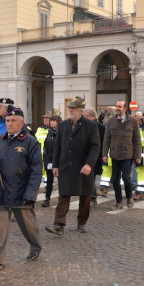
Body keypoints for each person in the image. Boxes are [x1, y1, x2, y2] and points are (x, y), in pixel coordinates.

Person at [0, 106, 42, 273]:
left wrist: (31, 195)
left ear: (21, 123)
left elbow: (36, 170)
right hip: (1, 191)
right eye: (7, 120)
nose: (9, 124)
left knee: (28, 228)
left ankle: (36, 246)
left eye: (13, 121)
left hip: (21, 193)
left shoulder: (30, 142)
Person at [45, 97, 100, 235]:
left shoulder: (90, 126)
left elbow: (95, 147)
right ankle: (59, 224)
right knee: (63, 195)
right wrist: (55, 164)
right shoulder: (63, 125)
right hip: (66, 166)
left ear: (80, 110)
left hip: (83, 167)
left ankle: (81, 222)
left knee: (85, 196)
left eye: (73, 108)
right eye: (69, 108)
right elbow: (58, 146)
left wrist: (89, 164)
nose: (70, 110)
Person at [102, 100, 141, 210]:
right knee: (114, 179)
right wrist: (104, 154)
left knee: (126, 178)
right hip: (114, 155)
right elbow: (106, 139)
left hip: (128, 155)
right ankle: (118, 201)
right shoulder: (111, 121)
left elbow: (137, 140)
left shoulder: (133, 121)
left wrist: (138, 155)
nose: (117, 108)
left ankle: (129, 198)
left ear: (125, 108)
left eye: (119, 106)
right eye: (116, 106)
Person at [83, 108, 105, 205]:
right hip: (85, 156)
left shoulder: (100, 127)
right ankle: (90, 197)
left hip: (96, 156)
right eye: (85, 116)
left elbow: (102, 142)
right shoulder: (83, 126)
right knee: (87, 178)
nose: (85, 117)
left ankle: (93, 197)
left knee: (91, 177)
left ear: (93, 117)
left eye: (87, 116)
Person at [41, 115, 61, 207]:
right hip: (49, 161)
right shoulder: (50, 132)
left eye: (54, 121)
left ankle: (62, 199)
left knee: (61, 181)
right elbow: (46, 146)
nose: (51, 122)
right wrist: (46, 159)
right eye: (51, 121)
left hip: (59, 161)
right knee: (49, 181)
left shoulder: (61, 133)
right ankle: (47, 198)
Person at [35, 112, 51, 183]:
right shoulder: (39, 129)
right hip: (39, 154)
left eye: (47, 118)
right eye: (44, 118)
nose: (45, 120)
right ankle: (46, 185)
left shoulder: (52, 130)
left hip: (48, 154)